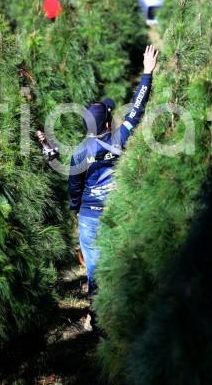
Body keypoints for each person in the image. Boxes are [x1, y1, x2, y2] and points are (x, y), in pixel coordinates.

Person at [68, 45, 159, 296]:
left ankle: (97, 319)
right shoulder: (119, 138)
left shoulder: (79, 152)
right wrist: (147, 73)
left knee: (94, 271)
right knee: (120, 269)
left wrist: (76, 210)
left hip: (88, 217)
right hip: (116, 213)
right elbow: (136, 110)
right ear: (108, 122)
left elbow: (74, 188)